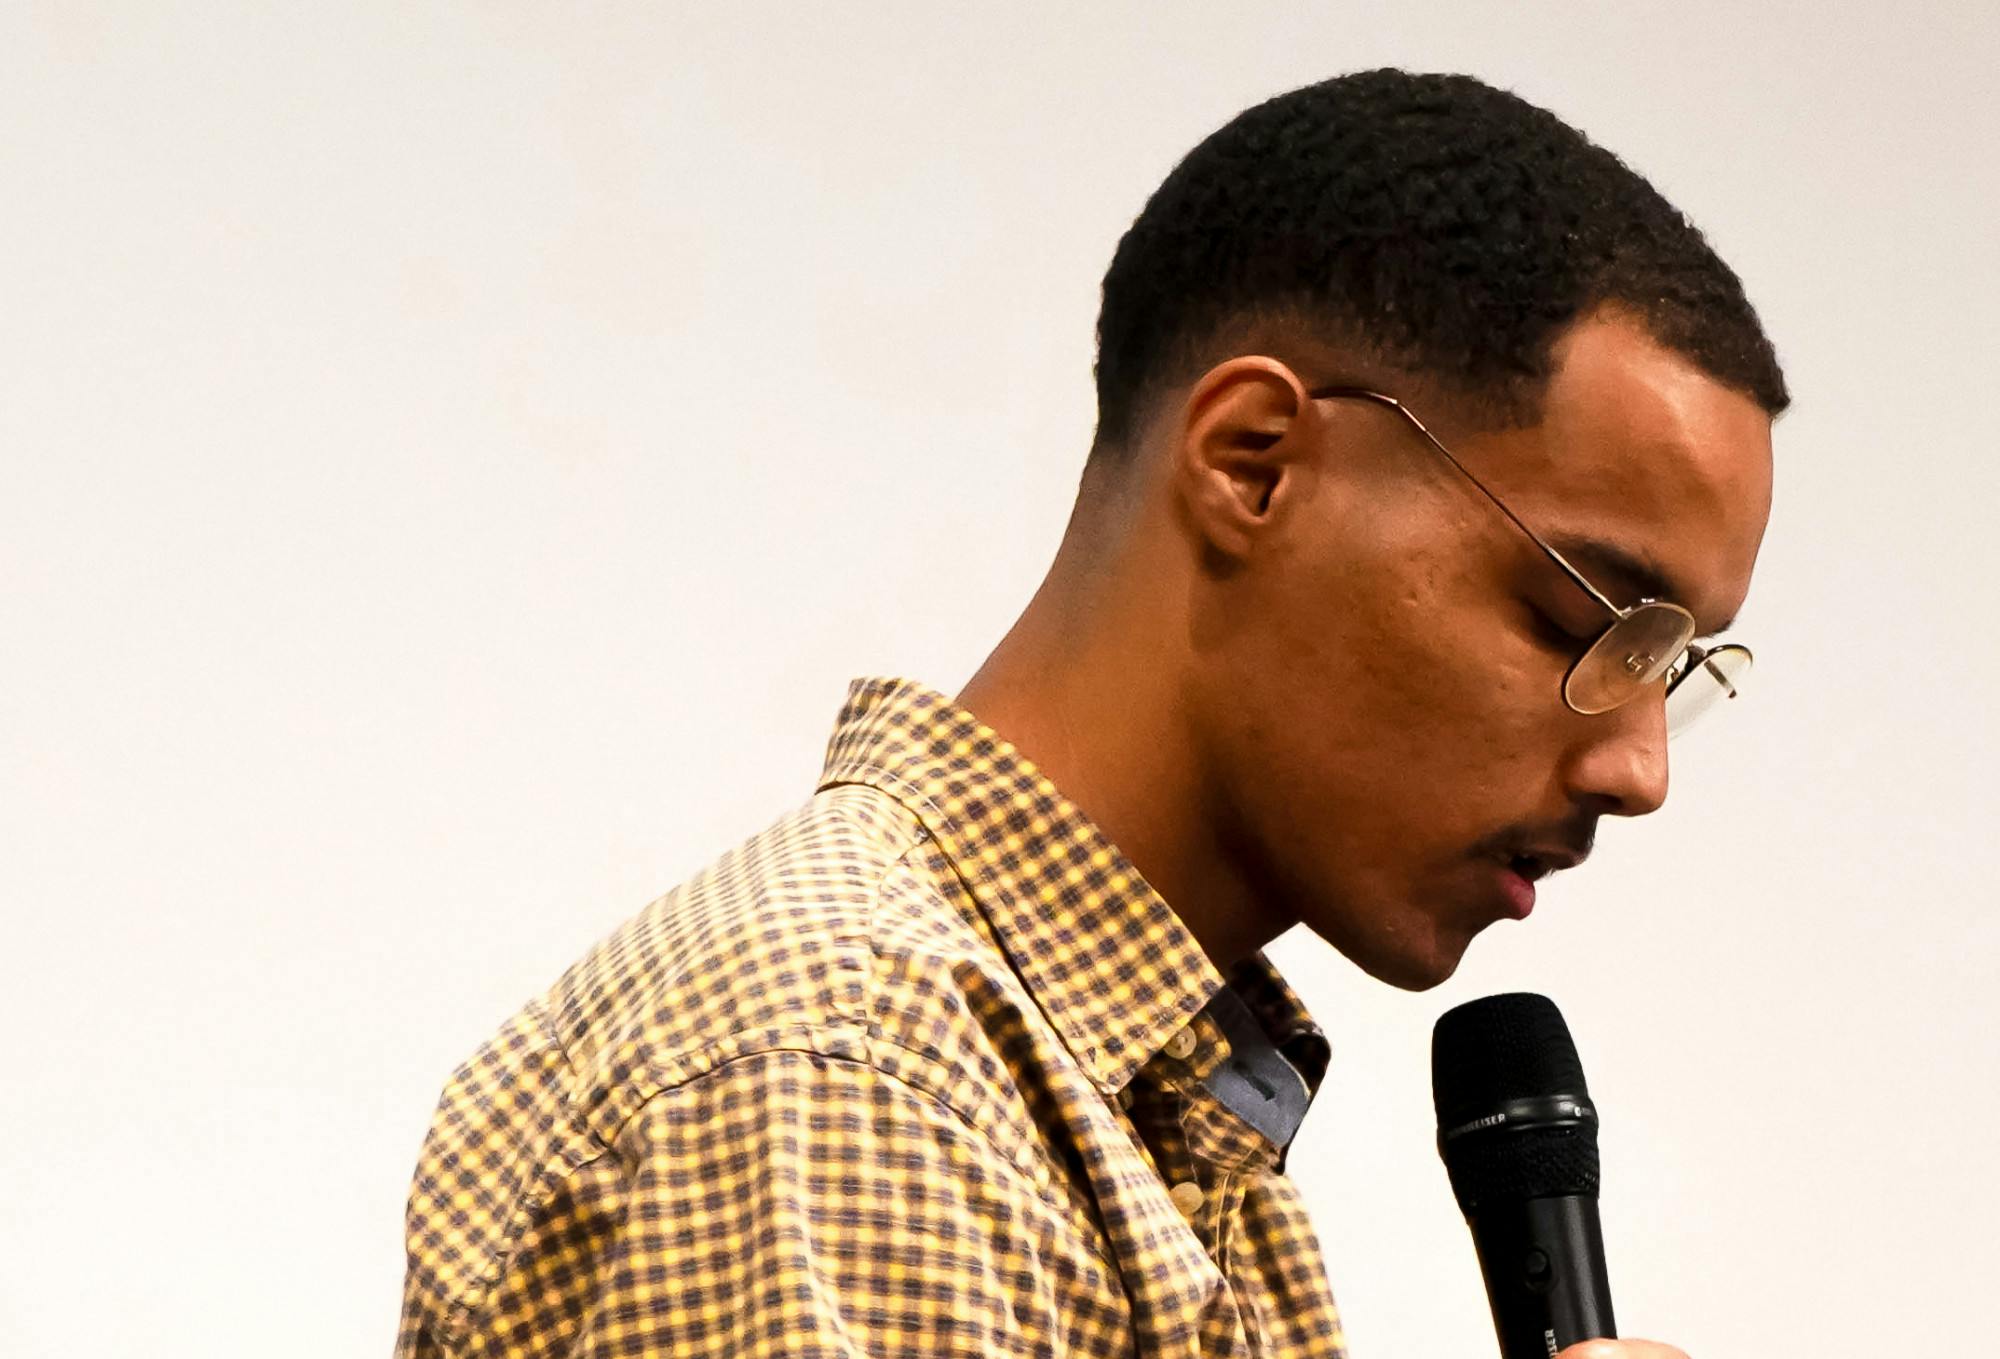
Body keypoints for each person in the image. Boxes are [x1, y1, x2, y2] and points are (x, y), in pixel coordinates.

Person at [395, 68, 1785, 1359]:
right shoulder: (852, 1078)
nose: (1639, 768)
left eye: (1675, 669)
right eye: (1584, 621)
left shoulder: (1146, 1126)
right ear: (1256, 467)